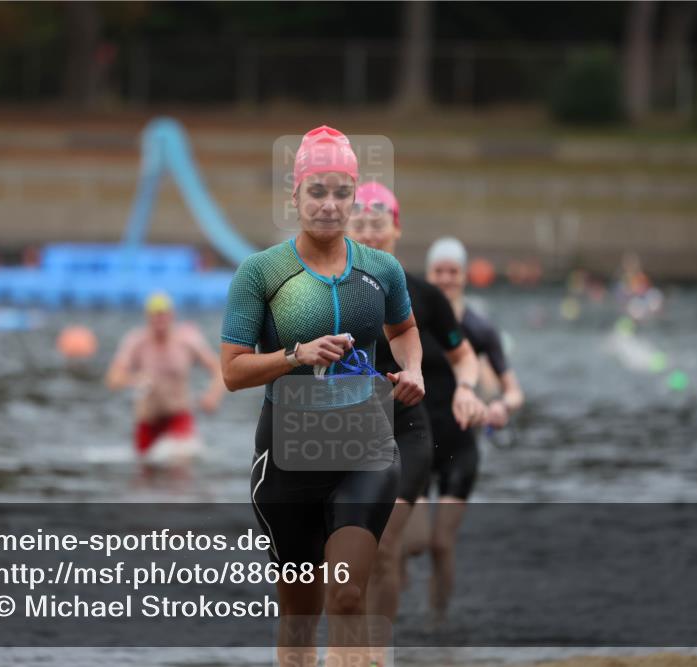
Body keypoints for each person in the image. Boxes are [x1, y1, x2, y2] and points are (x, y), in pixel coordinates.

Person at [221, 126, 424, 667]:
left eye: (341, 192)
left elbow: (404, 330)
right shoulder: (261, 272)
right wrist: (296, 355)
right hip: (287, 459)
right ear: (295, 196)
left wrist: (413, 370)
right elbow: (233, 373)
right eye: (317, 191)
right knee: (299, 616)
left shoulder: (382, 270)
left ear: (354, 196)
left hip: (365, 450)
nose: (329, 205)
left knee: (350, 594)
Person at [347, 183, 486, 651]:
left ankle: (375, 655)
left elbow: (464, 357)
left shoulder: (423, 296)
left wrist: (467, 389)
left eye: (377, 225)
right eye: (358, 225)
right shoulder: (323, 295)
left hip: (407, 431)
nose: (368, 234)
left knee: (384, 547)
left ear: (397, 229)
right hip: (342, 436)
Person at [404, 236, 525, 625]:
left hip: (460, 445)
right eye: (438, 271)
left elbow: (512, 389)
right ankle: (394, 575)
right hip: (416, 440)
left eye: (453, 271)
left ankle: (438, 625)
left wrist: (500, 406)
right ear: (429, 273)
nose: (445, 278)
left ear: (464, 276)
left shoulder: (477, 327)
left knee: (441, 544)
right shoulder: (413, 320)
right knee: (415, 541)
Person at [105, 291, 224, 463]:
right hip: (147, 421)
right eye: (155, 316)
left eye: (163, 315)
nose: (159, 321)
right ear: (147, 317)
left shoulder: (187, 340)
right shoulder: (136, 342)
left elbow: (219, 368)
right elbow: (112, 378)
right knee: (145, 469)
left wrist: (213, 396)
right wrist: (134, 379)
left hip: (178, 416)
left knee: (179, 464)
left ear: (172, 316)